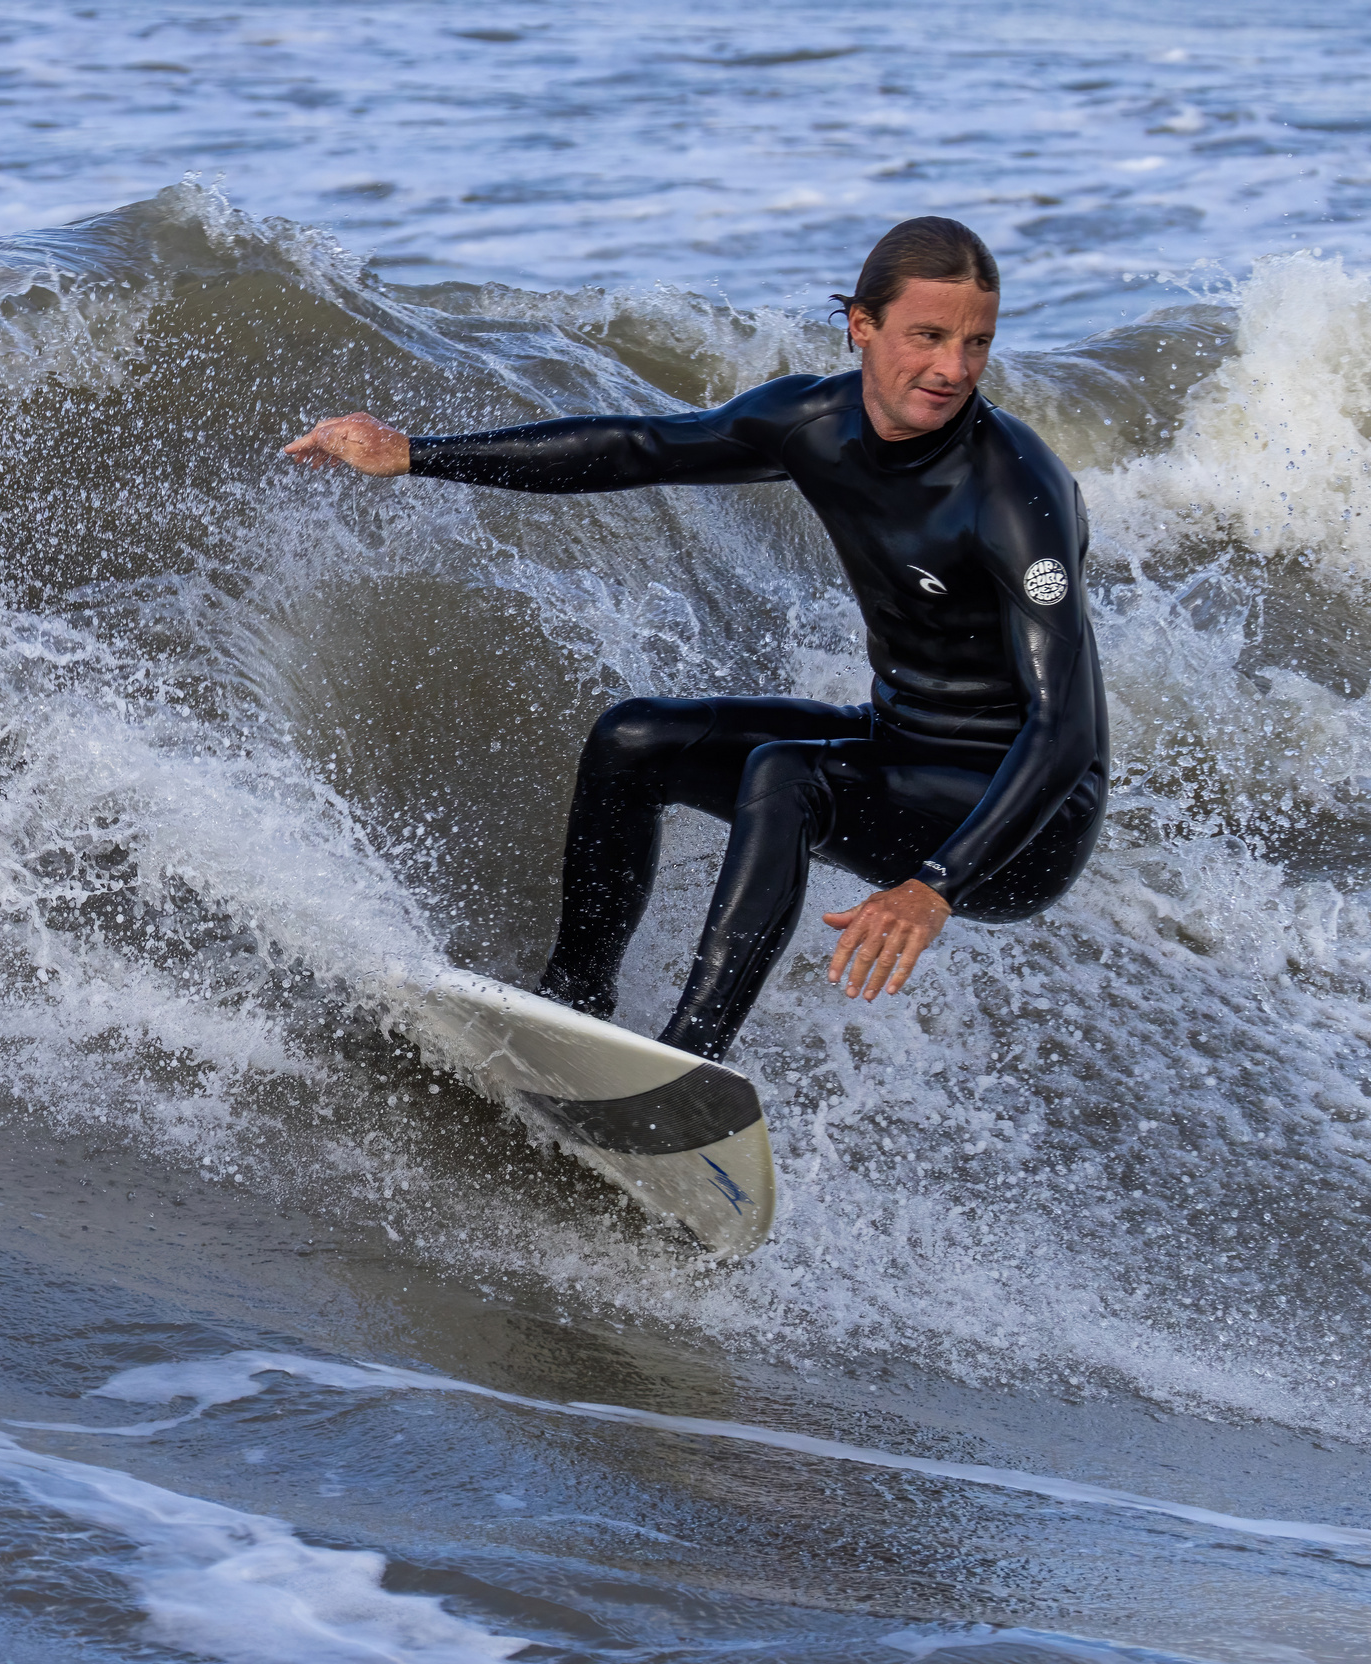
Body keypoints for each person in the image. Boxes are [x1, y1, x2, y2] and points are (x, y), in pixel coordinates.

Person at [283, 217, 1105, 1064]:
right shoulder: (813, 422)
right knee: (634, 738)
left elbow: (1065, 733)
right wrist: (414, 453)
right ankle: (574, 1006)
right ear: (862, 326)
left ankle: (690, 1062)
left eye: (977, 343)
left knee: (788, 774)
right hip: (906, 746)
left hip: (1022, 824)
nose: (953, 369)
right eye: (928, 336)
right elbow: (635, 448)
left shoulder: (1013, 491)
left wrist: (936, 886)